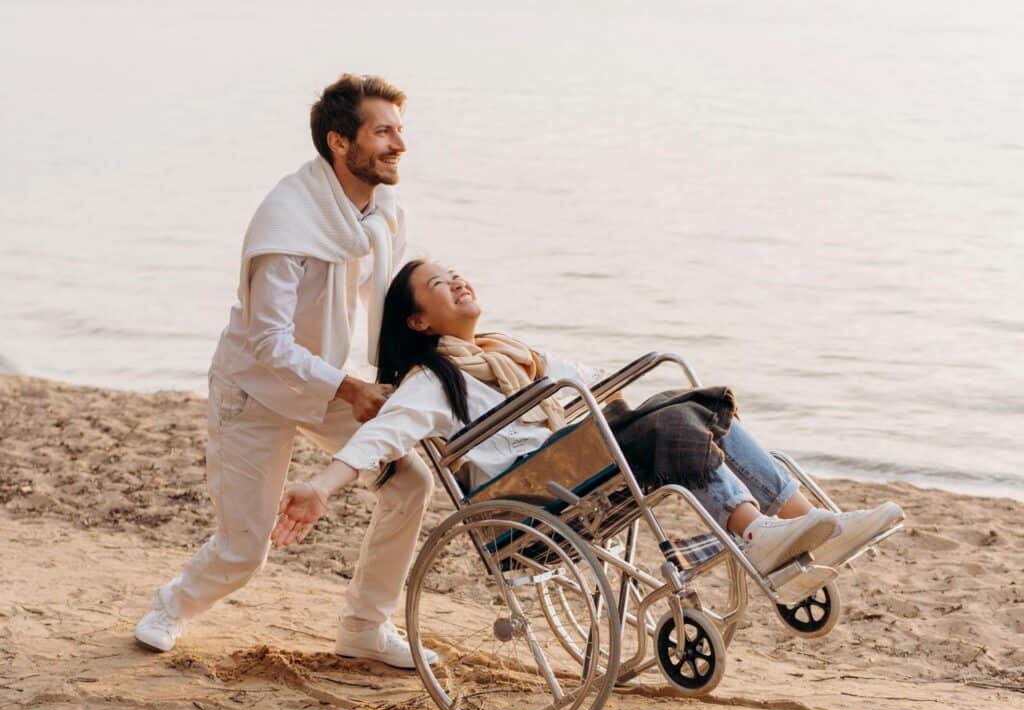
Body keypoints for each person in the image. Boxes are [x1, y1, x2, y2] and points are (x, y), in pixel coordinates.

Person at [270, 259, 904, 579]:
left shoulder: (509, 354)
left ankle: (806, 525)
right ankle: (754, 533)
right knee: (672, 423)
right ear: (417, 321)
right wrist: (319, 487)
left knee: (701, 404)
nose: (457, 280)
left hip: (574, 459)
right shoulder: (433, 381)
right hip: (536, 492)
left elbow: (587, 383)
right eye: (439, 283)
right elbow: (384, 435)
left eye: (456, 272)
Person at [134, 74, 440, 669]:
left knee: (408, 482)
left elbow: (391, 302)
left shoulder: (383, 208)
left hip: (325, 379)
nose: (399, 144)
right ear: (338, 142)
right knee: (245, 551)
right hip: (254, 389)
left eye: (401, 131)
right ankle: (172, 604)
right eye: (383, 132)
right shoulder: (288, 221)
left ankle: (363, 627)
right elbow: (269, 342)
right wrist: (351, 388)